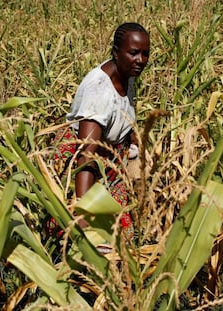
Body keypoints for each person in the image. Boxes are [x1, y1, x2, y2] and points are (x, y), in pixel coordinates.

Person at [48, 22, 150, 238]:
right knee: (77, 234)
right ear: (116, 52)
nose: (140, 60)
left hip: (109, 160)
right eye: (133, 53)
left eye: (145, 54)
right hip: (82, 162)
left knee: (121, 235)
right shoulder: (99, 91)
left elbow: (123, 112)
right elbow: (86, 156)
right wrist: (83, 215)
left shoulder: (128, 75)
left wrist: (133, 140)